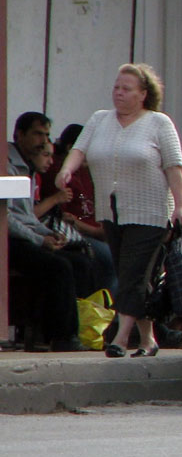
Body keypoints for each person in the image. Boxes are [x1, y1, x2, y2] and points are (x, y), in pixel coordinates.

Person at [56, 63, 182, 357]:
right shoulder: (99, 120)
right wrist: (66, 169)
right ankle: (148, 339)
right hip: (113, 212)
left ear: (143, 94)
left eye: (126, 89)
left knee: (132, 273)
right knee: (131, 274)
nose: (118, 93)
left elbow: (174, 168)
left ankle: (120, 338)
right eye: (116, 87)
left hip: (151, 212)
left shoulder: (159, 123)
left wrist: (180, 206)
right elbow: (79, 149)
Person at [6, 112, 87, 351]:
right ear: (19, 135)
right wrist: (39, 239)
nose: (44, 141)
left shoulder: (29, 168)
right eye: (37, 134)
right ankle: (61, 336)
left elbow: (27, 215)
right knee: (57, 266)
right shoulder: (8, 165)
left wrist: (47, 234)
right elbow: (6, 218)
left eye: (47, 135)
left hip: (25, 235)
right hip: (8, 239)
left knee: (79, 261)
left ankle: (79, 330)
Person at [44, 123, 117, 292]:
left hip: (97, 230)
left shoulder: (86, 171)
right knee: (109, 258)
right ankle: (104, 312)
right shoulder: (59, 172)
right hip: (78, 235)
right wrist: (95, 231)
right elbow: (65, 218)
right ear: (71, 148)